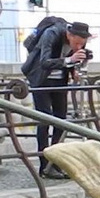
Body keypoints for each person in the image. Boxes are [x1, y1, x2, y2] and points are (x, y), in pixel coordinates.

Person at [22, 18, 92, 174]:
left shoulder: (80, 42)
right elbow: (44, 62)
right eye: (77, 43)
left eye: (83, 43)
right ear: (69, 34)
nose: (79, 46)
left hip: (60, 80)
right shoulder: (51, 34)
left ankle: (55, 160)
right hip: (41, 79)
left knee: (61, 120)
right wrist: (69, 60)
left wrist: (75, 68)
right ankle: (43, 163)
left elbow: (73, 60)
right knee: (45, 119)